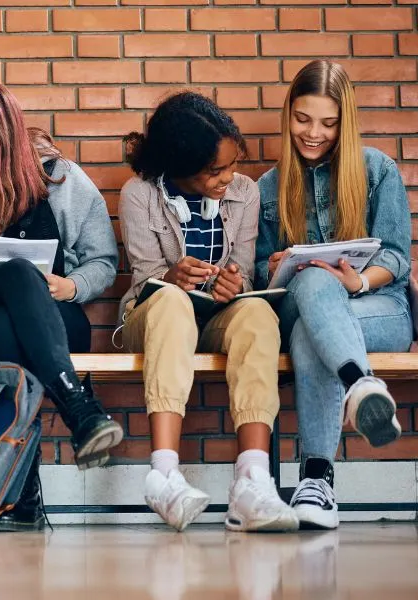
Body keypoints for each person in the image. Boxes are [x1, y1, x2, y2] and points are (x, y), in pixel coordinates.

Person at [0, 79, 123, 531]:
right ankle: (79, 408)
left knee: (7, 328)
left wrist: (68, 287)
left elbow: (103, 261)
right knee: (13, 272)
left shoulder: (62, 178)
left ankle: (23, 487)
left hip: (55, 316)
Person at [119, 92, 296, 532]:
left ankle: (252, 480)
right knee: (173, 301)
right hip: (154, 315)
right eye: (215, 171)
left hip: (216, 315)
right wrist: (172, 276)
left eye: (232, 164)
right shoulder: (139, 195)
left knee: (257, 316)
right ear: (182, 168)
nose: (227, 178)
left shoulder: (244, 194)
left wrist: (235, 282)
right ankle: (163, 473)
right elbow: (143, 283)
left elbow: (246, 274)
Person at [256, 59, 412, 530]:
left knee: (311, 332)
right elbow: (257, 282)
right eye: (303, 119)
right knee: (312, 279)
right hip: (301, 305)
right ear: (289, 116)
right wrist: (272, 267)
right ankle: (360, 384)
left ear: (345, 121)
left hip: (378, 309)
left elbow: (397, 258)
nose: (313, 133)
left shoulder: (377, 169)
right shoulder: (268, 186)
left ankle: (317, 480)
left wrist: (359, 282)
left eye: (328, 122)